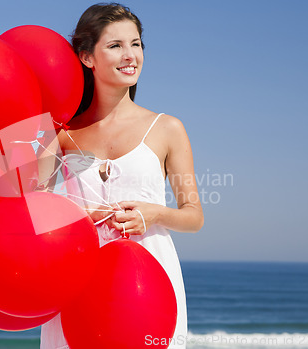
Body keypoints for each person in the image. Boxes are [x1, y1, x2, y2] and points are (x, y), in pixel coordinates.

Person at [38, 3, 204, 348]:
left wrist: (153, 213)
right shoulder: (62, 132)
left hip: (148, 280)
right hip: (77, 277)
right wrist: (72, 218)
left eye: (136, 44)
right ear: (87, 57)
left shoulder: (167, 128)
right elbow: (28, 203)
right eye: (115, 46)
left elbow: (194, 216)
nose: (130, 56)